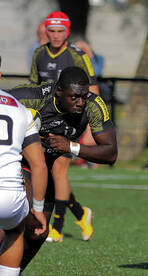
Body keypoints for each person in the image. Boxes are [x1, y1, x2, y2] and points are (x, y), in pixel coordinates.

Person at [8, 66, 117, 276]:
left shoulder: (93, 105)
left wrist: (71, 147)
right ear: (59, 92)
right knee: (21, 216)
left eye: (83, 96)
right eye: (74, 96)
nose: (80, 102)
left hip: (44, 168)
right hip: (16, 163)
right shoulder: (31, 97)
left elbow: (110, 153)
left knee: (39, 229)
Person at [30, 11, 100, 244]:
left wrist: (91, 128)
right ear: (45, 31)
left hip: (72, 121)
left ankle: (56, 228)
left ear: (67, 31)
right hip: (44, 121)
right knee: (47, 172)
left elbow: (94, 91)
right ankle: (81, 214)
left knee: (58, 171)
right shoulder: (39, 54)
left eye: (61, 31)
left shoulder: (77, 55)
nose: (56, 35)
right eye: (52, 30)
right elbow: (34, 88)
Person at [0, 57, 47, 276]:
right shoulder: (19, 108)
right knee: (15, 229)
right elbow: (38, 164)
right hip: (11, 195)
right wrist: (38, 209)